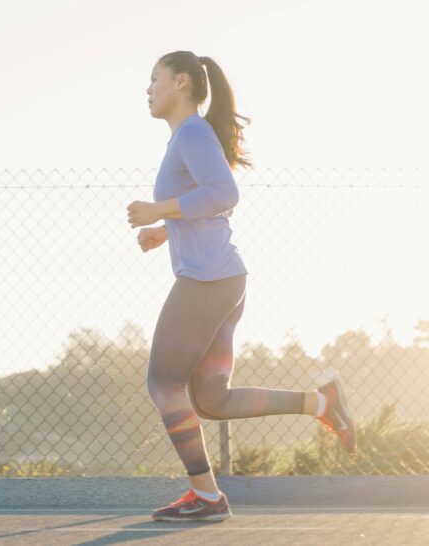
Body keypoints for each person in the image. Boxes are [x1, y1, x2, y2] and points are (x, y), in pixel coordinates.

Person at [126, 50, 357, 523]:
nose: (148, 89)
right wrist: (166, 230)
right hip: (224, 279)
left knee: (163, 382)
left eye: (155, 79)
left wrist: (159, 210)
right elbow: (211, 205)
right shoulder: (187, 137)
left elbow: (225, 194)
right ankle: (322, 402)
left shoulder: (191, 132)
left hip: (208, 281)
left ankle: (207, 497)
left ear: (184, 83)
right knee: (211, 399)